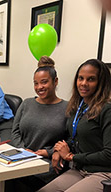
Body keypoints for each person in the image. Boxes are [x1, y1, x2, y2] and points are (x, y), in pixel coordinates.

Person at [38, 59, 111, 192]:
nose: (83, 83)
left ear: (101, 83)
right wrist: (55, 151)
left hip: (103, 173)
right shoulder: (79, 106)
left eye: (91, 79)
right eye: (80, 78)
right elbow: (73, 139)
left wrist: (72, 157)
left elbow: (109, 154)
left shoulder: (107, 109)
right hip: (79, 170)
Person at [8, 56, 68, 192]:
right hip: (21, 158)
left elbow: (71, 139)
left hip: (47, 163)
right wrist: (23, 150)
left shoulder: (68, 108)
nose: (39, 87)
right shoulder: (26, 103)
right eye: (36, 83)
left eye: (44, 82)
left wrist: (50, 152)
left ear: (55, 81)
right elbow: (15, 131)